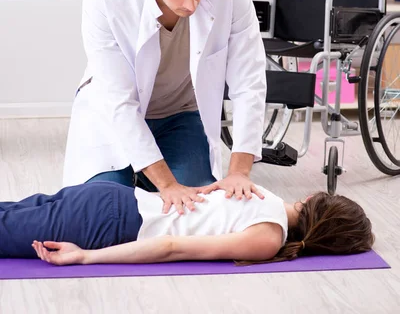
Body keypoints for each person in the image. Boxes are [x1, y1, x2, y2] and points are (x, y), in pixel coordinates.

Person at [63, 0, 267, 213]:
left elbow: (249, 81)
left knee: (196, 209)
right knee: (102, 209)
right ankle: (139, 180)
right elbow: (120, 102)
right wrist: (168, 186)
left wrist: (239, 172)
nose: (191, 5)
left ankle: (150, 181)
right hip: (111, 118)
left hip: (181, 115)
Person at [0, 182, 373, 264]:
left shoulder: (260, 191)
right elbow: (170, 246)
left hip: (112, 198)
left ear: (310, 201)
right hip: (109, 225)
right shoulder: (267, 240)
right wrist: (85, 257)